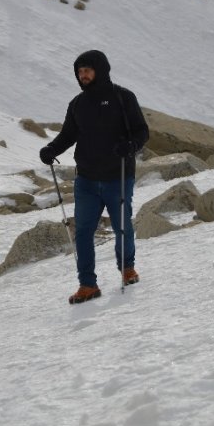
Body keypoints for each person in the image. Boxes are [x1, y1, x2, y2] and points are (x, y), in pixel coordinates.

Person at [39, 50, 149, 304]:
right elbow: (68, 135)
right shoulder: (78, 104)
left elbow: (142, 131)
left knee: (122, 227)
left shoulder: (123, 97)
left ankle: (127, 268)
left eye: (87, 70)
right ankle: (87, 284)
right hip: (86, 179)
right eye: (79, 72)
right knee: (83, 232)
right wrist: (51, 149)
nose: (83, 75)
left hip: (118, 176)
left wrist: (131, 145)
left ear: (100, 70)